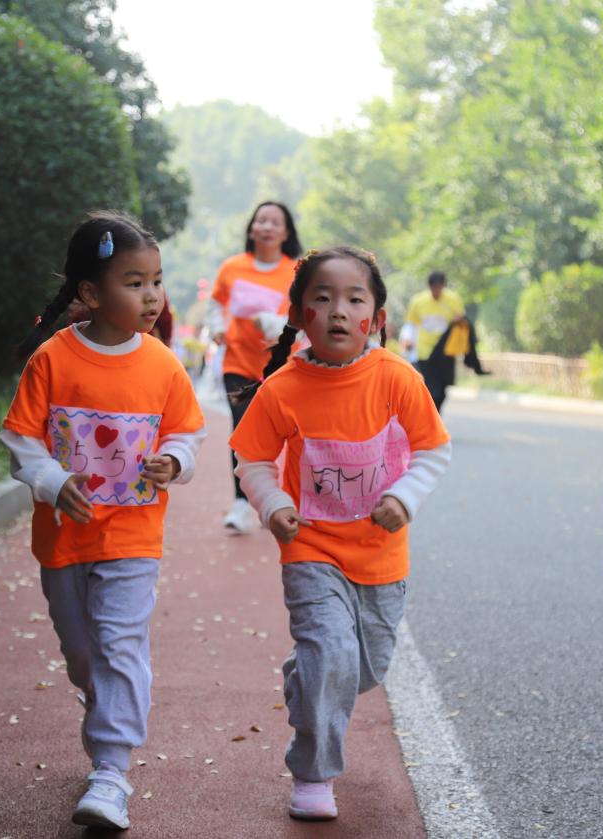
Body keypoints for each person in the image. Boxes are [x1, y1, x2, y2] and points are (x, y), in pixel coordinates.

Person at [229, 247, 451, 821]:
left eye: (355, 299)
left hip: (381, 555)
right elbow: (251, 458)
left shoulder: (397, 377)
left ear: (375, 317)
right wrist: (274, 504)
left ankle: (308, 674)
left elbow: (432, 450)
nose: (338, 310)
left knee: (366, 669)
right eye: (322, 299)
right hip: (310, 546)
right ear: (302, 314)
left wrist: (404, 498)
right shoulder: (282, 388)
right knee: (331, 651)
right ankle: (314, 773)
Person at [1, 211, 206, 830]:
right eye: (134, 282)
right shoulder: (53, 359)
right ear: (90, 293)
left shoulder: (164, 365)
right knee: (83, 655)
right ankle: (104, 700)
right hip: (63, 540)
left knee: (119, 644)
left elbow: (187, 434)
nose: (151, 297)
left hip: (133, 538)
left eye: (157, 281)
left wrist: (174, 460)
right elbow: (20, 440)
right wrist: (53, 481)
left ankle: (111, 772)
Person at [206, 201, 303, 533]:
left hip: (283, 368)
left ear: (286, 232)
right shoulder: (232, 267)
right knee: (242, 434)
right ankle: (242, 504)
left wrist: (275, 325)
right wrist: (217, 326)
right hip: (238, 363)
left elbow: (303, 318)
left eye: (275, 222)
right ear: (251, 228)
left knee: (287, 435)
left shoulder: (295, 272)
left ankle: (277, 497)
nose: (267, 226)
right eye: (261, 220)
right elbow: (216, 304)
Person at [405, 271, 466, 412]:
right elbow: (411, 324)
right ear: (429, 286)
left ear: (444, 286)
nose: (436, 292)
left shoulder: (453, 299)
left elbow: (461, 323)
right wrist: (408, 340)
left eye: (439, 288)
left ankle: (434, 415)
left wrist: (460, 321)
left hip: (446, 350)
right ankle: (429, 417)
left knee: (443, 390)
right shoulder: (418, 301)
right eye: (434, 288)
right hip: (425, 351)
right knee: (432, 389)